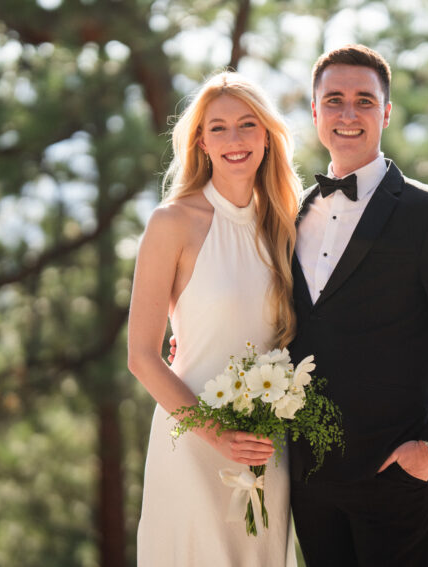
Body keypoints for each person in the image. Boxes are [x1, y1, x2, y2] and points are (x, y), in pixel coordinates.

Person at [287, 45, 428, 566]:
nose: (348, 114)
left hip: (397, 477)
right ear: (315, 112)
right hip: (307, 481)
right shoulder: (291, 212)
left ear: (385, 112)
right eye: (333, 100)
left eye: (364, 101)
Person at [126, 71, 300, 566]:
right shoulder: (172, 222)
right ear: (200, 141)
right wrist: (215, 432)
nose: (234, 140)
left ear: (267, 135)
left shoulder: (287, 224)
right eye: (218, 128)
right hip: (194, 445)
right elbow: (142, 356)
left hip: (266, 448)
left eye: (247, 124)